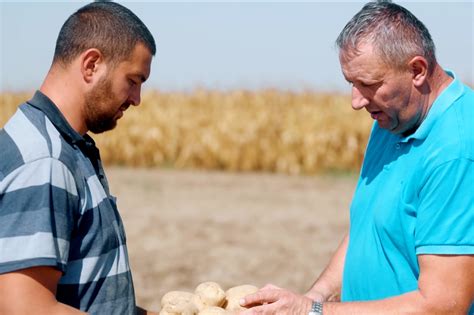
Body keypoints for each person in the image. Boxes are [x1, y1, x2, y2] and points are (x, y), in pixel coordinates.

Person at [240, 1, 474, 314]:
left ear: (417, 70)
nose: (356, 101)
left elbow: (444, 304)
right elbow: (369, 228)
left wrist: (312, 312)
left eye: (368, 84)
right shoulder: (391, 119)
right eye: (352, 83)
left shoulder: (456, 151)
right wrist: (314, 297)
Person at [0, 2, 158, 314]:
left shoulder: (66, 146)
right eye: (134, 80)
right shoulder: (45, 160)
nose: (136, 99)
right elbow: (26, 308)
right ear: (91, 65)